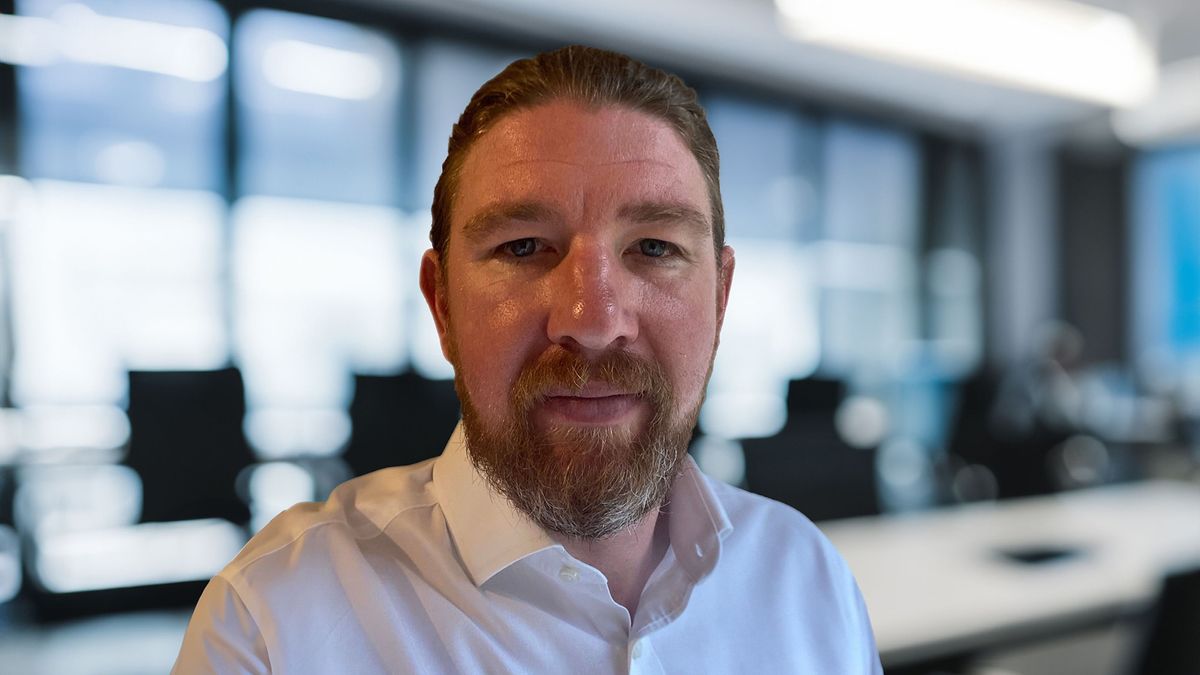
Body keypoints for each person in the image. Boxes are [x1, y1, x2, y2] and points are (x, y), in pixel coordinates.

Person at [173, 45, 882, 674]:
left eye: (655, 248)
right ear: (443, 303)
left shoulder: (810, 579)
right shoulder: (271, 626)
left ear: (720, 301)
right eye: (522, 247)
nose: (594, 322)